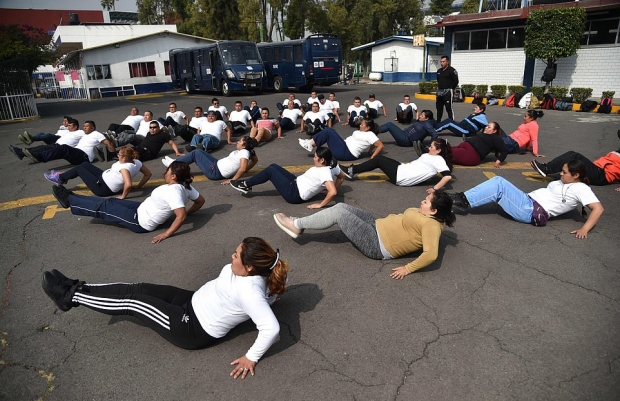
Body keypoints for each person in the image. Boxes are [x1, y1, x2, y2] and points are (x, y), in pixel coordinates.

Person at [40, 236, 289, 379]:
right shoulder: (260, 275)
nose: (231, 256)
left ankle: (69, 297)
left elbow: (270, 328)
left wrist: (250, 357)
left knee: (132, 303)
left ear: (249, 268)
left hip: (191, 328)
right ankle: (80, 287)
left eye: (236, 256)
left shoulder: (250, 290)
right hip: (191, 301)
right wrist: (272, 299)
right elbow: (268, 295)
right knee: (138, 288)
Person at [273, 191, 456, 278]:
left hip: (376, 244)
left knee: (339, 214)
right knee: (341, 207)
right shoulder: (429, 213)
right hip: (375, 225)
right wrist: (434, 195)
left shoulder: (432, 225)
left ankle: (297, 225)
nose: (422, 201)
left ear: (433, 211)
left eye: (426, 202)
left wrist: (407, 268)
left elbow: (431, 254)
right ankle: (304, 223)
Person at [51, 161, 205, 243]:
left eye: (168, 171)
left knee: (105, 207)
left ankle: (69, 200)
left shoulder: (174, 191)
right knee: (110, 201)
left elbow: (181, 215)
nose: (165, 173)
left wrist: (166, 234)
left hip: (140, 221)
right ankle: (74, 197)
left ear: (174, 177)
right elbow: (200, 201)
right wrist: (191, 212)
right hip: (141, 208)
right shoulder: (186, 186)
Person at [448, 159, 604, 238]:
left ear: (576, 175)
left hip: (530, 211)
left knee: (499, 183)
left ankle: (462, 200)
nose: (561, 174)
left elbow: (598, 209)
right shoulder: (566, 181)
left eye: (564, 172)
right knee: (498, 184)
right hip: (527, 201)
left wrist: (585, 229)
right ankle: (463, 198)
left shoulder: (581, 188)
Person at [230, 147, 345, 209]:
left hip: (294, 194)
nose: (313, 159)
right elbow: (341, 177)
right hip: (295, 182)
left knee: (271, 171)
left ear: (322, 160)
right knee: (273, 166)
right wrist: (330, 188)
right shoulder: (332, 166)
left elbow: (333, 192)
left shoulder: (324, 172)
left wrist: (321, 204)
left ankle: (245, 185)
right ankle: (247, 185)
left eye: (315, 157)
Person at [342, 138, 453, 190]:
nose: (429, 147)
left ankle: (351, 171)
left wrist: (434, 189)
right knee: (383, 159)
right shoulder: (433, 156)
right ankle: (352, 170)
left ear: (438, 151)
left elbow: (447, 176)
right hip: (403, 169)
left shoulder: (439, 160)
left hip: (402, 177)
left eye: (432, 147)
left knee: (379, 160)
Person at [44, 147, 152, 199]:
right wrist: (138, 186)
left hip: (102, 188)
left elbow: (128, 184)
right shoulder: (137, 162)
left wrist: (123, 196)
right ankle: (64, 177)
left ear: (124, 157)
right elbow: (148, 174)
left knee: (79, 169)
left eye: (119, 155)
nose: (117, 155)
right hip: (104, 177)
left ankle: (60, 178)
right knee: (84, 165)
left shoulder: (124, 168)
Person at [9, 120, 114, 165]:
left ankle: (40, 157)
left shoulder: (97, 134)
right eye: (84, 126)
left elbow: (108, 143)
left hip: (84, 157)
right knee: (49, 148)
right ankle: (21, 152)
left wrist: (114, 154)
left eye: (87, 126)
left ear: (93, 127)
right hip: (76, 154)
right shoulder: (85, 135)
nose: (84, 128)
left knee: (62, 147)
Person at [163, 136, 258, 184]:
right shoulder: (247, 151)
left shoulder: (244, 152)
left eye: (240, 141)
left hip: (216, 172)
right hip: (216, 164)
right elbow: (255, 160)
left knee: (196, 153)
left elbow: (243, 168)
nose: (238, 142)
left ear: (244, 145)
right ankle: (176, 162)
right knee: (198, 150)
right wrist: (247, 170)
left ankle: (174, 164)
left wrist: (233, 180)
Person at [299, 118, 384, 162]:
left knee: (329, 131)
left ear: (368, 127)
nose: (360, 125)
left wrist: (373, 156)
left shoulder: (370, 134)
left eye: (362, 124)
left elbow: (380, 145)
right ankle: (311, 143)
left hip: (346, 152)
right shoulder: (363, 132)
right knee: (328, 131)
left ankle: (310, 144)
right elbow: (373, 144)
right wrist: (369, 151)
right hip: (343, 147)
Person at [531, 149, 620, 190]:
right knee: (571, 153)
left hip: (602, 175)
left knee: (575, 156)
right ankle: (548, 167)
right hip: (596, 168)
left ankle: (546, 169)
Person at [436, 55, 459, 121]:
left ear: (447, 62)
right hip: (440, 91)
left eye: (443, 61)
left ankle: (451, 122)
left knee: (448, 108)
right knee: (439, 108)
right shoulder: (439, 71)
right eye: (441, 62)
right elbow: (438, 80)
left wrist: (451, 88)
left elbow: (456, 81)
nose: (442, 63)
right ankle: (438, 122)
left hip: (448, 91)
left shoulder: (452, 70)